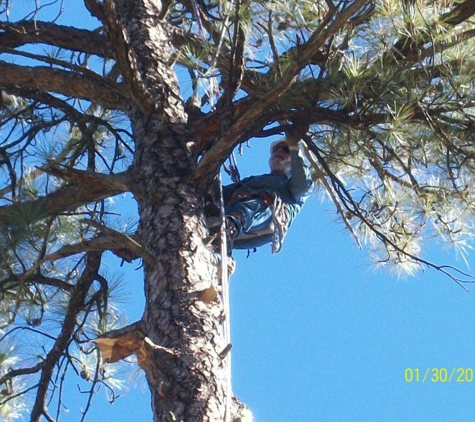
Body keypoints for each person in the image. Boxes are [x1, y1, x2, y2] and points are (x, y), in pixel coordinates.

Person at [211, 132, 314, 252]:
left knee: (254, 205)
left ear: (295, 161)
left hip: (264, 218)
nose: (279, 151)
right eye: (276, 148)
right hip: (236, 218)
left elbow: (302, 184)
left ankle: (230, 225)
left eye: (285, 149)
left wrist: (294, 148)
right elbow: (219, 193)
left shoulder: (293, 185)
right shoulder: (252, 180)